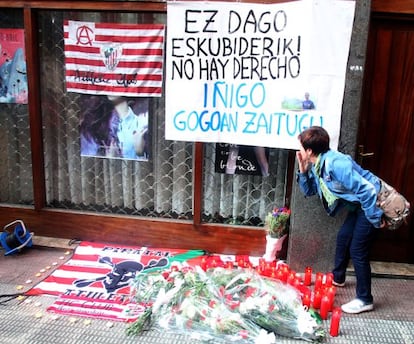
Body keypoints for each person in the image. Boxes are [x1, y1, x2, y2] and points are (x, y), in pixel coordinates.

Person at [295, 126, 385, 314]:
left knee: (358, 250)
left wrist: (375, 218)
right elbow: (309, 191)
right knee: (344, 237)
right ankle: (338, 278)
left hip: (371, 202)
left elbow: (367, 190)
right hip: (359, 205)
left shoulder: (335, 163)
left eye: (301, 147)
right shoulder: (318, 164)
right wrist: (303, 171)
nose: (299, 151)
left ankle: (365, 299)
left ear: (309, 150)